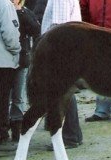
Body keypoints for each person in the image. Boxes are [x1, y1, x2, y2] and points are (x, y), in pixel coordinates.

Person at [41, 0, 83, 150]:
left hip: (60, 48)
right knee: (66, 91)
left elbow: (60, 26)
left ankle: (69, 136)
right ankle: (74, 134)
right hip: (67, 46)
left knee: (62, 91)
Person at [9, 0, 41, 142]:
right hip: (8, 58)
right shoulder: (3, 10)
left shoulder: (26, 12)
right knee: (6, 95)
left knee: (19, 95)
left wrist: (20, 12)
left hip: (22, 59)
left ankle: (17, 128)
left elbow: (35, 30)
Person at [0, 0, 21, 151]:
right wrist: (17, 49)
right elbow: (10, 32)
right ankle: (0, 138)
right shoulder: (4, 5)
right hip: (2, 61)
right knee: (1, 101)